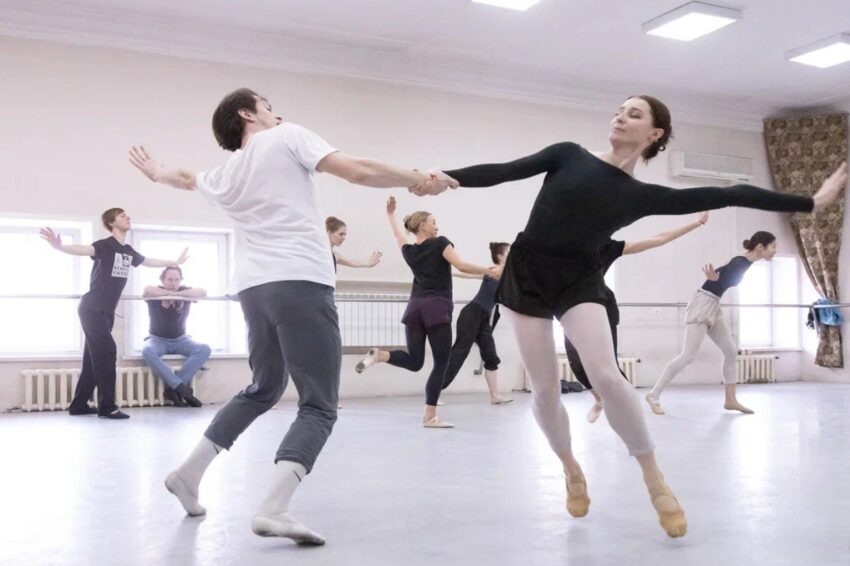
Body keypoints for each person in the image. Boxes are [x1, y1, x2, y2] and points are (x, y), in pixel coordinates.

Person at [419, 95, 847, 538]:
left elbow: (731, 193)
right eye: (619, 111)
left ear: (655, 134)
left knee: (607, 375)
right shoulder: (568, 155)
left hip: (579, 278)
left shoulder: (640, 196)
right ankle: (570, 468)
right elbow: (505, 170)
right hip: (525, 274)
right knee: (544, 387)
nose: (621, 117)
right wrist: (448, 177)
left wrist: (810, 203)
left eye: (634, 114)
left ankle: (653, 476)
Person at [128, 87, 455, 545]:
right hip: (299, 282)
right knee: (319, 403)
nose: (277, 112)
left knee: (264, 387)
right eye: (267, 105)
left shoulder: (225, 174)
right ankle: (274, 508)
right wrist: (418, 177)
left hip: (254, 290)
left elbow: (186, 178)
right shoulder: (286, 137)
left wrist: (158, 172)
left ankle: (188, 473)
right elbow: (358, 169)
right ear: (247, 113)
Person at [354, 197, 500, 427]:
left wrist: (390, 214)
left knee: (415, 361)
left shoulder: (410, 251)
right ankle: (430, 416)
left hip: (414, 309)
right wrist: (490, 270)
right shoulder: (441, 243)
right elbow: (461, 265)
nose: (437, 226)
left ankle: (381, 355)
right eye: (434, 222)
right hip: (436, 309)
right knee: (442, 362)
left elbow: (398, 237)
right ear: (423, 225)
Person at [40, 209, 188, 419]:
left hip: (106, 313)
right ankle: (107, 407)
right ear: (111, 223)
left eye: (127, 215)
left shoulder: (128, 251)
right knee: (108, 351)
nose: (128, 217)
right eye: (122, 216)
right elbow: (83, 249)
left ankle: (79, 404)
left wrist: (174, 262)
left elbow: (148, 261)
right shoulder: (105, 245)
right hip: (92, 309)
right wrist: (60, 247)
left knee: (93, 359)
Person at [567, 212, 709, 424]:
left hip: (602, 306)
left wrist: (695, 224)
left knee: (610, 367)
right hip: (572, 309)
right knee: (577, 364)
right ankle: (599, 399)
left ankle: (631, 409)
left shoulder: (607, 247)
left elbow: (657, 239)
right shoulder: (563, 246)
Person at [646, 231, 779, 415]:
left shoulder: (743, 262)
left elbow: (724, 276)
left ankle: (730, 400)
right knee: (688, 355)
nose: (775, 251)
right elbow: (726, 278)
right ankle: (653, 394)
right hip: (702, 304)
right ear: (760, 246)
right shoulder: (741, 262)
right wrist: (717, 279)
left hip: (713, 303)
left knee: (730, 351)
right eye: (773, 246)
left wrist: (717, 278)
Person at [441, 242, 512, 405]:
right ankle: (434, 393)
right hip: (472, 314)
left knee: (491, 357)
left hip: (484, 319)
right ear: (500, 257)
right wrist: (447, 273)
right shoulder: (494, 271)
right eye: (509, 252)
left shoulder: (506, 276)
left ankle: (495, 396)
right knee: (459, 353)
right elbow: (469, 274)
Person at [142, 266, 211, 408]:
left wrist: (179, 294)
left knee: (204, 349)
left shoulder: (184, 291)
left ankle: (172, 389)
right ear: (163, 280)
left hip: (181, 340)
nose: (174, 283)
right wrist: (169, 294)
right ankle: (182, 389)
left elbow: (203, 292)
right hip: (157, 339)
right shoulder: (155, 292)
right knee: (147, 351)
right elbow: (147, 289)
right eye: (170, 279)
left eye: (177, 280)